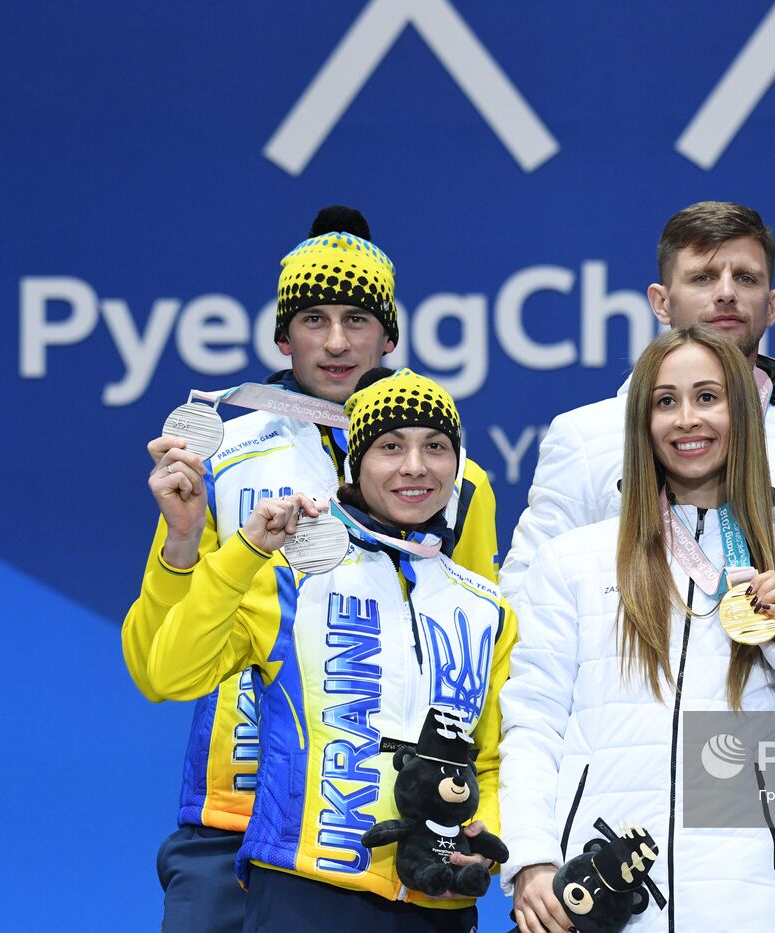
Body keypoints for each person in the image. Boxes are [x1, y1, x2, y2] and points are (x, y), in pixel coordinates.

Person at [499, 201, 775, 929]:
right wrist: (530, 852)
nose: (688, 420)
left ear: (745, 415)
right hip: (604, 862)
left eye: (710, 399)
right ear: (638, 421)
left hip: (757, 853)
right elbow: (534, 710)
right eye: (668, 402)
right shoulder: (575, 557)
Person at [120, 207, 498, 932]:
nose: (334, 341)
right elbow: (152, 663)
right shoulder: (218, 458)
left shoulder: (457, 485)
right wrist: (182, 542)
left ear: (389, 335)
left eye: (357, 319)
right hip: (230, 814)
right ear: (280, 334)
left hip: (383, 838)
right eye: (313, 318)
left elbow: (469, 681)